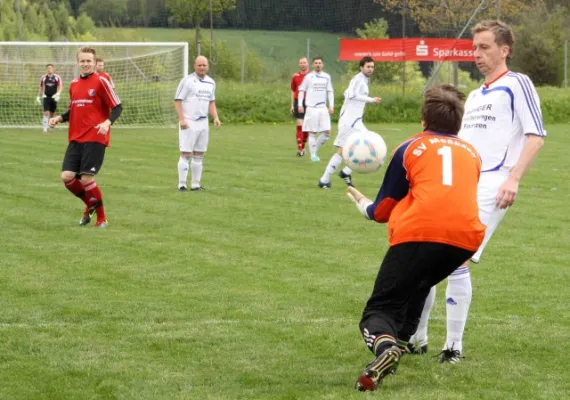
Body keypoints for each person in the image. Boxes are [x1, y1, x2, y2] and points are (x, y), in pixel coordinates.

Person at [409, 20, 546, 363]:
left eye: (485, 47)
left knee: (455, 257)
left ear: (504, 50)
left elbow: (536, 135)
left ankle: (453, 346)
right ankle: (418, 336)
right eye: (475, 48)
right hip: (462, 182)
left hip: (494, 181)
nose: (478, 54)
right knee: (428, 256)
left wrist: (514, 178)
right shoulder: (474, 95)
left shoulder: (518, 84)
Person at [346, 84, 485, 392]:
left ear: (424, 119)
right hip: (465, 238)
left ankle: (385, 348)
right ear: (458, 123)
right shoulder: (472, 154)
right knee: (420, 282)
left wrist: (361, 205)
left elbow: (382, 211)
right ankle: (402, 342)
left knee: (378, 310)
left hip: (420, 231)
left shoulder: (409, 148)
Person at [49, 46, 123, 228]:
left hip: (95, 136)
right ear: (78, 63)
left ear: (94, 62)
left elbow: (118, 107)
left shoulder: (101, 82)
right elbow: (75, 108)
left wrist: (107, 123)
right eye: (82, 61)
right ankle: (90, 204)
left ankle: (102, 218)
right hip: (76, 137)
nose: (86, 64)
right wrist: (60, 118)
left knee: (86, 179)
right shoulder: (74, 84)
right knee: (67, 176)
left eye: (89, 61)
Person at [317, 56, 381, 189]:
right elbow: (351, 95)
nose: (370, 69)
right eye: (368, 67)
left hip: (355, 121)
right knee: (341, 150)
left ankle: (346, 172)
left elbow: (348, 92)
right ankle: (325, 179)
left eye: (372, 67)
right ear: (361, 67)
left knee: (370, 144)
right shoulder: (359, 79)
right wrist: (371, 99)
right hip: (349, 122)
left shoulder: (362, 80)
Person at [174, 55, 221, 191]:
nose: (202, 67)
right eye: (199, 65)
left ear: (208, 67)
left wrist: (216, 117)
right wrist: (182, 119)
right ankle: (182, 184)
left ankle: (195, 184)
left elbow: (211, 102)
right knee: (186, 153)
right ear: (194, 66)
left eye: (204, 65)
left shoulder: (211, 82)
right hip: (189, 121)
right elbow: (177, 100)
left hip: (203, 122)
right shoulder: (187, 81)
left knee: (199, 153)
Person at [297, 56, 334, 163]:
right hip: (311, 108)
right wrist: (300, 105)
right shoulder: (309, 77)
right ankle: (313, 155)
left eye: (320, 63)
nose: (318, 64)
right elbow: (301, 90)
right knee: (312, 133)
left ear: (322, 65)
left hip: (323, 108)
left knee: (327, 132)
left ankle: (314, 151)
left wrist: (331, 105)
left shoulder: (327, 77)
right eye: (316, 63)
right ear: (313, 65)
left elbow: (330, 91)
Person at [290, 57, 310, 156]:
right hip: (298, 102)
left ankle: (303, 147)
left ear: (308, 64)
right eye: (301, 63)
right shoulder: (295, 76)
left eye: (304, 62)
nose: (303, 64)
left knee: (307, 129)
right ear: (299, 64)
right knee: (299, 125)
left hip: (310, 103)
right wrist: (292, 105)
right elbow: (293, 91)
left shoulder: (312, 75)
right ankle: (300, 150)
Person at [37, 64, 62, 134]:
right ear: (46, 69)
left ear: (53, 69)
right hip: (46, 97)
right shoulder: (44, 77)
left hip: (54, 98)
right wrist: (38, 96)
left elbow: (60, 86)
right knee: (46, 113)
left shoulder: (57, 77)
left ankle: (51, 128)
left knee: (52, 114)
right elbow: (41, 87)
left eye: (50, 68)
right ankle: (45, 129)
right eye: (48, 68)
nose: (49, 69)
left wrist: (58, 94)